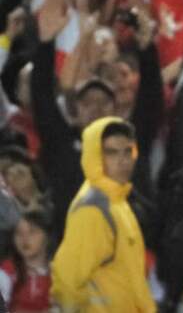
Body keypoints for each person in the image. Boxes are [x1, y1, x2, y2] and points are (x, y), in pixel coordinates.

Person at [50, 117, 155, 313]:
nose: (122, 160)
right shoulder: (93, 209)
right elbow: (67, 280)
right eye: (111, 152)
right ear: (94, 155)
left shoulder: (117, 201)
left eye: (127, 151)